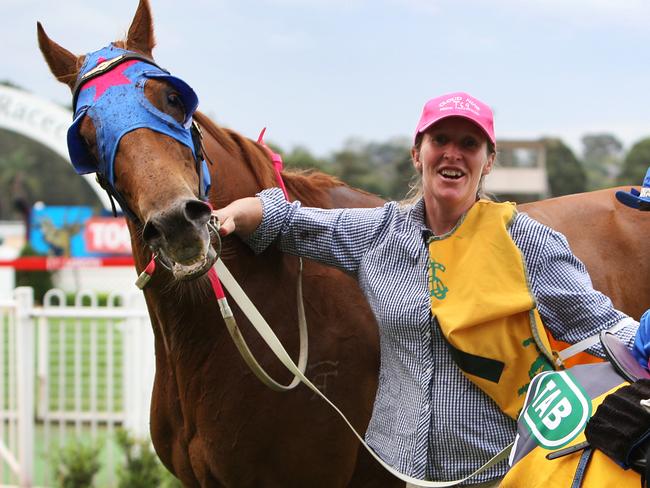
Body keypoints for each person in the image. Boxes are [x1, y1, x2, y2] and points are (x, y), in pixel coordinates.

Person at [214, 91, 642, 486]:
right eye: (441, 139)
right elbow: (293, 224)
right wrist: (238, 210)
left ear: (488, 161)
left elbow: (602, 326)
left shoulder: (526, 242)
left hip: (499, 467)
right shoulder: (379, 233)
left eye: (469, 144)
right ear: (417, 153)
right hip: (395, 469)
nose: (453, 154)